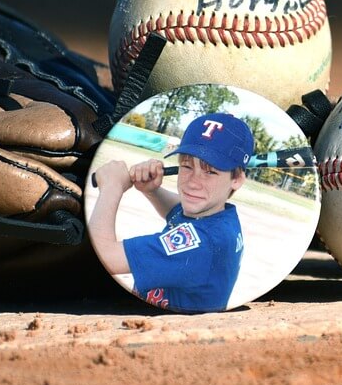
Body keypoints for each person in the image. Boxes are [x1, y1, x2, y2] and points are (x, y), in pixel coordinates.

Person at [90, 112, 253, 313]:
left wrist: (111, 188)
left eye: (210, 171)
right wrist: (152, 190)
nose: (193, 182)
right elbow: (179, 211)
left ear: (236, 178)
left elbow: (104, 257)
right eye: (186, 166)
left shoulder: (201, 242)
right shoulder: (221, 217)